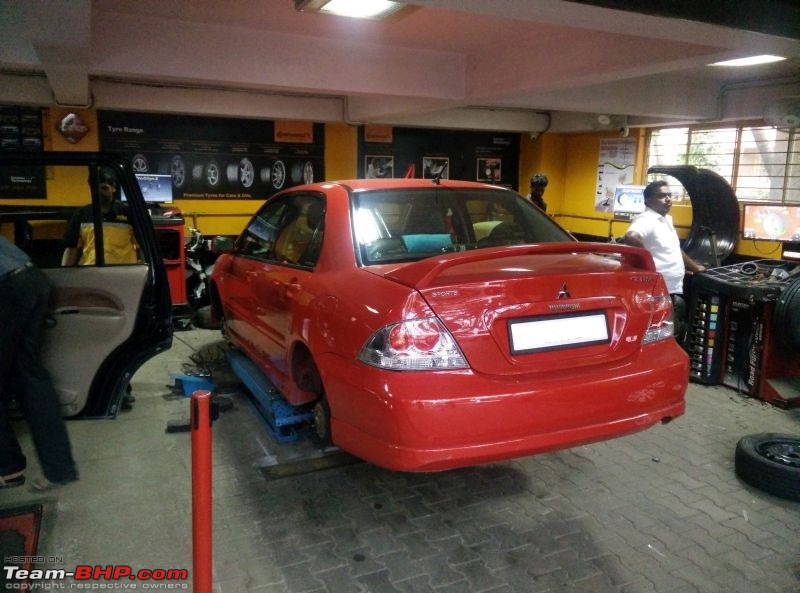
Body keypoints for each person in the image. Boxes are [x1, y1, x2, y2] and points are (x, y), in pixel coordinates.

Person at [0, 235, 79, 490]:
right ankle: (59, 470)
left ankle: (8, 466)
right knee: (31, 378)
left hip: (5, 289)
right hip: (30, 279)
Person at [624, 180, 706, 343]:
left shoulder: (666, 219)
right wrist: (650, 265)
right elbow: (631, 237)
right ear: (648, 200)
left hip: (673, 288)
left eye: (669, 195)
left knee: (672, 330)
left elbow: (676, 249)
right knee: (661, 334)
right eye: (662, 196)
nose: (668, 199)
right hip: (659, 290)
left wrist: (695, 268)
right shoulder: (647, 219)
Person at [61, 167, 139, 266]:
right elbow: (71, 249)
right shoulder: (82, 214)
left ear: (113, 188)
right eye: (95, 188)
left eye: (104, 188)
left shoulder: (129, 213)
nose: (99, 192)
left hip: (124, 272)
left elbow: (143, 247)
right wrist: (65, 275)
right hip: (90, 272)